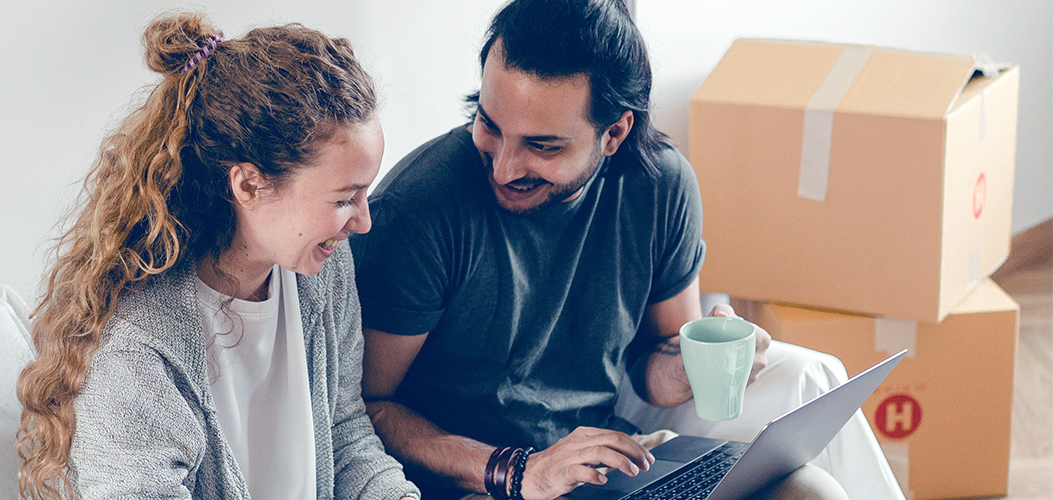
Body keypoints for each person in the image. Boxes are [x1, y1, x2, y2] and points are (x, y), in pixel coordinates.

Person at [350, 0, 903, 499]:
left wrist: (686, 365)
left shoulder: (659, 185)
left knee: (813, 489)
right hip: (479, 477)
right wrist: (518, 470)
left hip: (606, 457)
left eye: (542, 146)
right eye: (489, 125)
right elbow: (364, 408)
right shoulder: (421, 209)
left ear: (613, 134)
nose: (503, 166)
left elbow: (653, 368)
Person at [14, 12, 419, 500]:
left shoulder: (321, 272)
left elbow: (344, 429)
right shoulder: (140, 348)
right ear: (248, 184)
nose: (363, 221)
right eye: (343, 199)